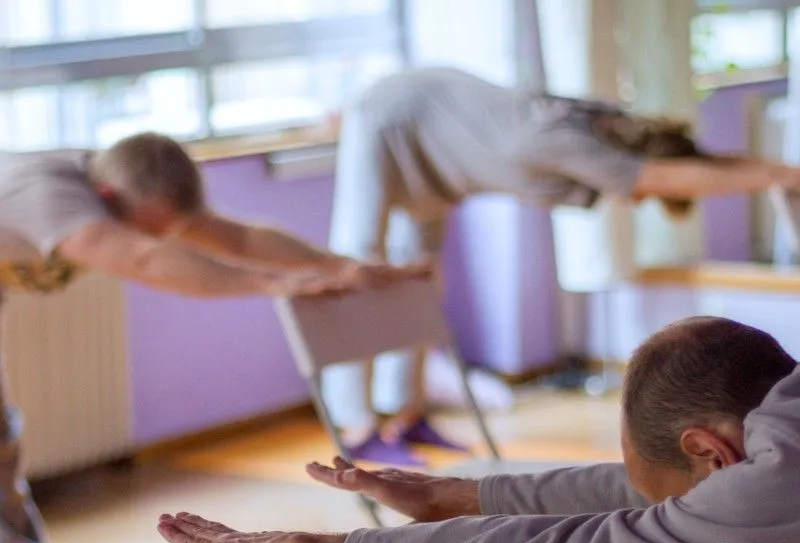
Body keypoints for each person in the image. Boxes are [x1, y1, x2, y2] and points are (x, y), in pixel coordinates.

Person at [0, 132, 429, 543]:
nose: (167, 237)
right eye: (154, 227)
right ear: (111, 200)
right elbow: (145, 261)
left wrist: (337, 267)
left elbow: (241, 240)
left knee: (3, 446)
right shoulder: (55, 199)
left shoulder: (129, 178)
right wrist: (273, 285)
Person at [158, 316, 800, 543]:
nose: (669, 514)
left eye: (682, 505)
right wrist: (466, 497)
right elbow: (627, 498)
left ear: (715, 454)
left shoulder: (778, 485)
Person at [323, 65, 800, 466]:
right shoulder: (559, 141)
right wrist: (777, 175)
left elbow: (696, 164)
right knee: (357, 265)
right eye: (650, 196)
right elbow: (656, 175)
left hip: (434, 155)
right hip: (389, 119)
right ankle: (357, 427)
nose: (638, 201)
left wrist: (774, 172)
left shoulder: (599, 138)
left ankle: (406, 416)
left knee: (423, 281)